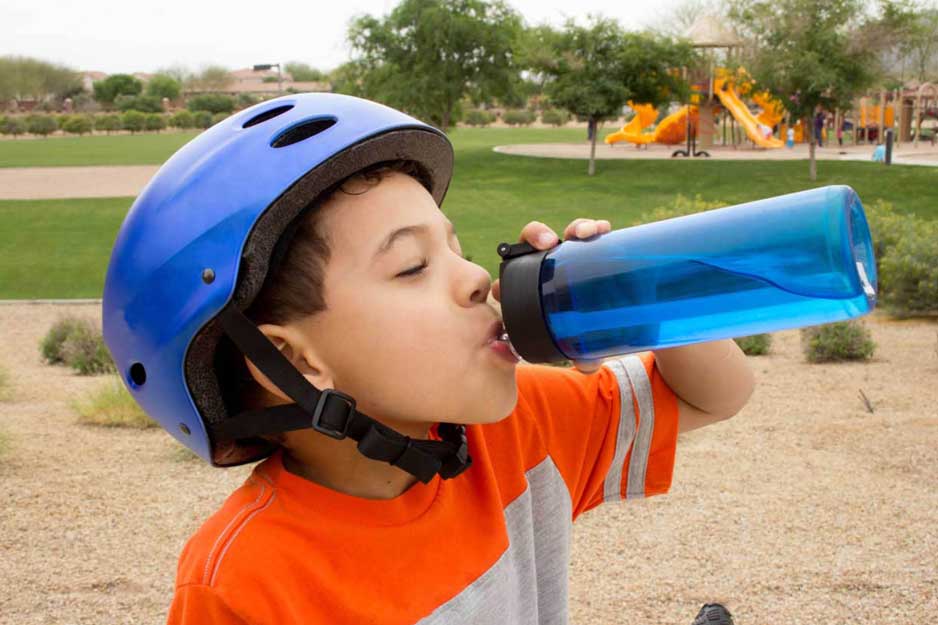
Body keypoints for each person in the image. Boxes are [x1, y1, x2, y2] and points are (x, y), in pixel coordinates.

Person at [101, 93, 755, 625]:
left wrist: (643, 292)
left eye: (456, 245)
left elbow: (712, 395)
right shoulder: (247, 584)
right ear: (293, 360)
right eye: (411, 266)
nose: (474, 276)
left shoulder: (517, 430)